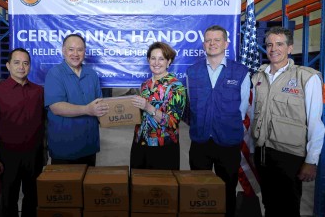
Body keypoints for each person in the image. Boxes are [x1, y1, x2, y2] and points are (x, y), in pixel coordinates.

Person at [250, 26, 325, 217]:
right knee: (269, 203)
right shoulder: (257, 78)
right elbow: (252, 117)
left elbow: (316, 123)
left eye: (280, 44)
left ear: (290, 48)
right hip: (263, 153)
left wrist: (311, 161)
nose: (274, 48)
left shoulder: (306, 78)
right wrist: (252, 150)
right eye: (269, 44)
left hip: (290, 157)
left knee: (289, 208)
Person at [186, 25, 250, 217]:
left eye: (217, 40)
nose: (212, 44)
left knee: (227, 190)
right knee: (199, 191)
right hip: (200, 141)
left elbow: (243, 108)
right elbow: (191, 104)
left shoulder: (241, 72)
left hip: (228, 142)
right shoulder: (192, 71)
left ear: (226, 43)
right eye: (208, 40)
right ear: (203, 43)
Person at [0, 48, 45, 217]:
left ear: (30, 66)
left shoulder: (38, 91)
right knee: (9, 200)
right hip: (8, 156)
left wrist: (44, 151)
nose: (21, 67)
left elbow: (44, 124)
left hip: (34, 155)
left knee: (34, 198)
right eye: (16, 63)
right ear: (8, 66)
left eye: (25, 63)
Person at [44, 33, 109, 166]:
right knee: (65, 186)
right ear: (63, 50)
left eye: (80, 50)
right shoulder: (54, 74)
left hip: (89, 146)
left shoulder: (91, 74)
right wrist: (88, 109)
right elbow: (56, 107)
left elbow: (100, 104)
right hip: (64, 148)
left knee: (88, 185)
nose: (75, 54)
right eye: (71, 49)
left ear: (85, 51)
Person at [130, 41, 186, 170]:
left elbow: (172, 122)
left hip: (163, 147)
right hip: (140, 143)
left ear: (169, 61)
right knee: (138, 186)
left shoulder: (176, 87)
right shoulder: (145, 85)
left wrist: (148, 107)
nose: (156, 63)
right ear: (148, 60)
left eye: (161, 59)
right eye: (153, 58)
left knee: (161, 188)